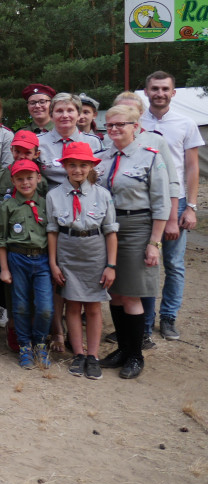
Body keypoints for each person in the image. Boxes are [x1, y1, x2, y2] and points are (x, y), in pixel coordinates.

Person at [97, 104, 169, 379]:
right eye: (109, 125)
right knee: (114, 292)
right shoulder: (102, 158)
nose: (114, 129)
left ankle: (136, 355)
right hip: (108, 228)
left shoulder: (150, 157)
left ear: (136, 127)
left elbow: (161, 202)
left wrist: (155, 243)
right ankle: (123, 349)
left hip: (137, 226)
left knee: (132, 293)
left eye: (120, 125)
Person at [47, 142, 118, 380]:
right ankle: (78, 353)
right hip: (67, 253)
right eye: (73, 165)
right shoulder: (54, 195)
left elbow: (110, 231)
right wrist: (54, 264)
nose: (78, 170)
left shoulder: (103, 194)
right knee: (73, 306)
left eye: (83, 165)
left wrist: (110, 265)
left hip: (95, 253)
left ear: (91, 166)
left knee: (94, 307)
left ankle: (93, 356)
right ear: (65, 166)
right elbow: (52, 231)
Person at [139, 71, 202, 341]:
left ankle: (169, 317)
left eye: (165, 89)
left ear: (173, 92)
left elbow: (192, 167)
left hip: (176, 204)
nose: (160, 93)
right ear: (146, 92)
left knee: (174, 264)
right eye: (155, 88)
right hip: (144, 203)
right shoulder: (136, 122)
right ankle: (144, 319)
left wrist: (191, 207)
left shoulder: (186, 123)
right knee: (146, 263)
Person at [0, 158, 52, 370]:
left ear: (38, 178)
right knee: (19, 306)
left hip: (43, 259)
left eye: (30, 178)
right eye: (20, 179)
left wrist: (54, 264)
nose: (25, 182)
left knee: (45, 307)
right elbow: (0, 239)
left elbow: (53, 235)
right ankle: (25, 345)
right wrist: (5, 269)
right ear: (13, 180)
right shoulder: (7, 206)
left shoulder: (46, 204)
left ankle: (40, 342)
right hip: (17, 259)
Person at [38, 93, 103, 188]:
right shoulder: (39, 142)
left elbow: (99, 176)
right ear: (51, 116)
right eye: (59, 111)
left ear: (78, 115)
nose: (65, 115)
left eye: (70, 110)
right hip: (49, 198)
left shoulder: (93, 142)